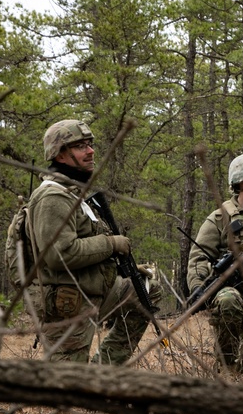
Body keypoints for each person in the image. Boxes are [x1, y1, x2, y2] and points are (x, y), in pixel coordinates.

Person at [27, 119, 161, 364]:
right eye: (80, 146)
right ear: (60, 155)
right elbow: (59, 255)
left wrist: (124, 269)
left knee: (147, 291)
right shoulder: (53, 197)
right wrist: (111, 244)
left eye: (90, 144)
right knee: (68, 387)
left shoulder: (72, 193)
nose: (90, 151)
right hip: (68, 303)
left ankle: (106, 368)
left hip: (93, 291)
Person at [187, 152, 243, 373]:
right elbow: (198, 257)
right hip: (234, 294)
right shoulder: (220, 218)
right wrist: (200, 288)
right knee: (228, 300)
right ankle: (226, 364)